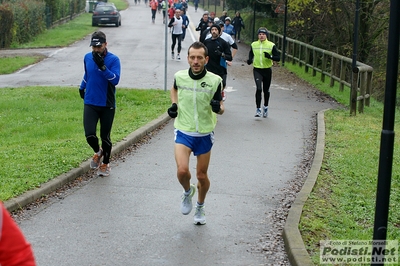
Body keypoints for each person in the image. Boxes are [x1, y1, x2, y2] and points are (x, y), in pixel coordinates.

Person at [167, 41, 224, 225]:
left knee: (201, 175)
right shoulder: (180, 76)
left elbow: (221, 107)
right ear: (188, 59)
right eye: (192, 57)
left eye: (200, 58)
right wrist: (174, 105)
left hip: (205, 133)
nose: (196, 61)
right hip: (183, 130)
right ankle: (187, 192)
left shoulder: (215, 81)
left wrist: (219, 108)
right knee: (182, 171)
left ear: (206, 59)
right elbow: (174, 89)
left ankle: (200, 205)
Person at [79, 31, 121, 176]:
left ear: (105, 44)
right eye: (94, 47)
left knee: (105, 136)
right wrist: (82, 86)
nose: (96, 49)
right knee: (89, 134)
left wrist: (103, 67)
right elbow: (88, 74)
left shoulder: (113, 60)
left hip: (106, 104)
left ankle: (105, 164)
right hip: (90, 100)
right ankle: (98, 152)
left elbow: (115, 80)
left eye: (99, 46)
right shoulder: (87, 57)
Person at [246, 27, 280, 118]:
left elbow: (278, 57)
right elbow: (251, 53)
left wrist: (270, 57)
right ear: (258, 35)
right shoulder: (254, 44)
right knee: (259, 88)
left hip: (267, 70)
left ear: (266, 36)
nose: (261, 36)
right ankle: (258, 109)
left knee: (266, 90)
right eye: (260, 34)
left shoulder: (271, 45)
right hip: (257, 69)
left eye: (263, 34)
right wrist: (249, 60)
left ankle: (265, 107)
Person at [205, 20, 238, 101]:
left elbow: (229, 57)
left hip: (220, 67)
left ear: (219, 31)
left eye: (216, 30)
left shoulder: (223, 43)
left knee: (221, 84)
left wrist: (222, 54)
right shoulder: (206, 42)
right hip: (209, 67)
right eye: (212, 30)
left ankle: (219, 98)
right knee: (209, 85)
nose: (214, 31)